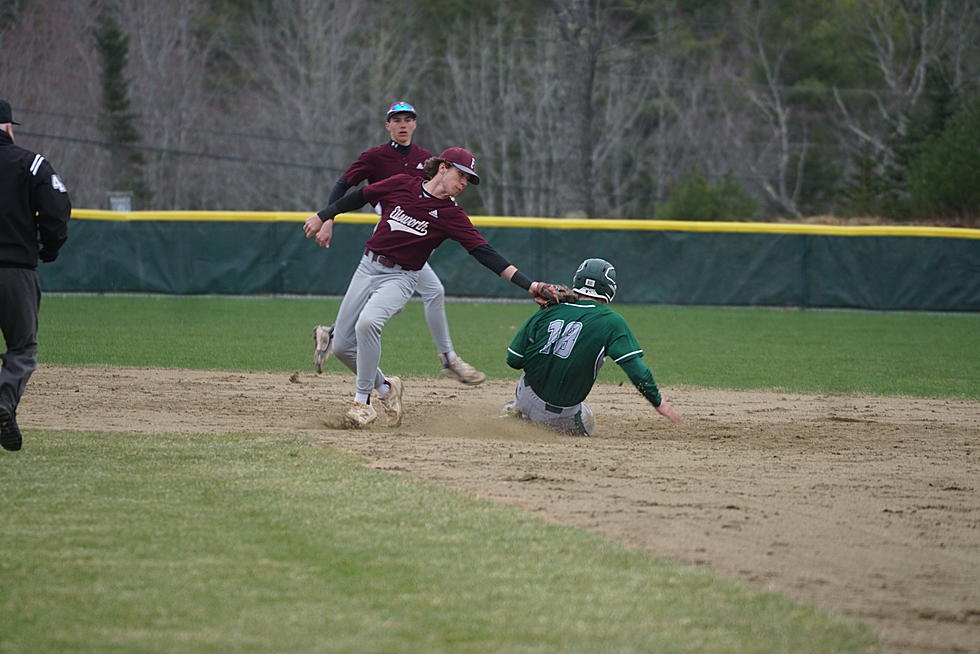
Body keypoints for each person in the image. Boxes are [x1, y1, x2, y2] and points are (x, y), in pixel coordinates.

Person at [303, 146, 551, 429]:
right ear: (443, 168)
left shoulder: (451, 215)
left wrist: (529, 284)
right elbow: (360, 195)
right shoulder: (401, 184)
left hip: (401, 278)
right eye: (461, 175)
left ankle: (362, 404)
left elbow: (485, 252)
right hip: (366, 268)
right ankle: (386, 389)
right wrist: (324, 216)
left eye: (469, 179)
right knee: (344, 346)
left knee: (368, 323)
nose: (464, 183)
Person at [311, 101, 485, 386]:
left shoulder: (426, 158)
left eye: (408, 119)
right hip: (391, 233)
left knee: (426, 292)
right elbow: (345, 185)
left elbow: (438, 197)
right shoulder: (375, 156)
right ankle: (447, 358)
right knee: (420, 292)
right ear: (387, 125)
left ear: (415, 124)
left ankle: (334, 334)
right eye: (397, 119)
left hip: (412, 237)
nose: (403, 124)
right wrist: (328, 218)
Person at [503, 258, 682, 436]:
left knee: (528, 389)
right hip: (561, 416)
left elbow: (514, 359)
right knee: (587, 418)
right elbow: (637, 371)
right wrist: (658, 403)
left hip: (526, 396)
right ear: (609, 288)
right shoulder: (612, 321)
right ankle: (543, 422)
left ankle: (515, 410)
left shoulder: (548, 309)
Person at [0, 99, 71, 451]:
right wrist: (50, 246)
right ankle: (3, 402)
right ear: (8, 127)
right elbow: (57, 209)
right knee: (22, 347)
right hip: (15, 271)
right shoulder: (31, 164)